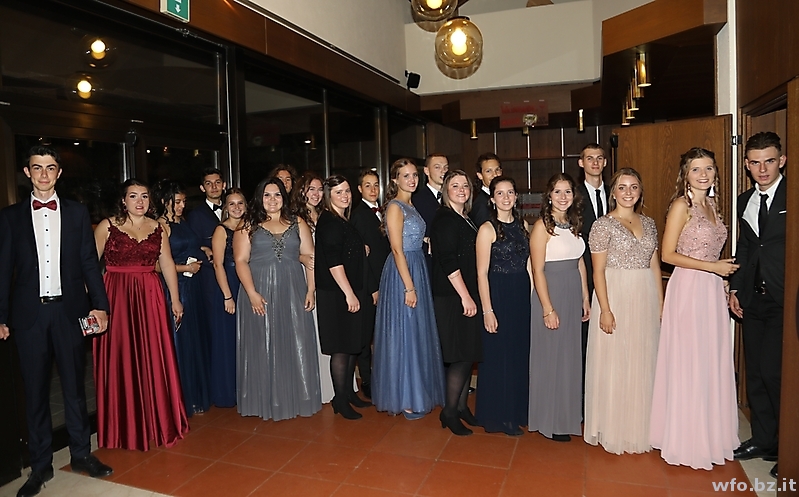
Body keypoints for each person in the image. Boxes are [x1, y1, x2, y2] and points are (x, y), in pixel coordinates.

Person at [0, 146, 113, 497]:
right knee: (35, 393)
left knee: (75, 388)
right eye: (37, 168)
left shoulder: (77, 213)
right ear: (27, 172)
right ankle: (40, 467)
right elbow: (3, 270)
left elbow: (89, 263)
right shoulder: (10, 217)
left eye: (50, 168)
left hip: (70, 312)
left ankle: (81, 454)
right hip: (29, 317)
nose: (44, 174)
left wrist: (100, 306)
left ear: (59, 173)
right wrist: (0, 316)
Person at [650, 148, 740, 469]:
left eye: (709, 168)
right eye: (696, 169)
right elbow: (667, 255)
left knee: (709, 360)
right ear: (685, 175)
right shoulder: (681, 206)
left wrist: (722, 280)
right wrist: (713, 267)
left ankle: (710, 434)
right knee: (690, 360)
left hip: (712, 290)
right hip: (688, 288)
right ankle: (686, 439)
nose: (704, 175)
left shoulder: (713, 205)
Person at [94, 179, 189, 451]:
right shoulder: (107, 226)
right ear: (123, 200)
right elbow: (89, 265)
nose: (139, 201)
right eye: (133, 196)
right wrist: (92, 302)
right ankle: (123, 426)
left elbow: (166, 264)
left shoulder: (158, 227)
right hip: (116, 296)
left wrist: (175, 300)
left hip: (150, 296)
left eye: (144, 196)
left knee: (154, 355)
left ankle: (158, 421)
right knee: (121, 356)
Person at [583, 168, 662, 454]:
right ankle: (614, 426)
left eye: (634, 187)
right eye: (622, 187)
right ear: (613, 192)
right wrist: (605, 309)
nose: (628, 192)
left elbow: (654, 265)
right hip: (614, 294)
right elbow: (597, 271)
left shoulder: (649, 223)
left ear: (640, 191)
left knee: (642, 359)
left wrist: (661, 303)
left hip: (645, 295)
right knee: (615, 361)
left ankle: (640, 426)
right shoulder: (602, 225)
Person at [233, 178, 321, 421]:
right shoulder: (247, 224)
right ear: (259, 198)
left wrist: (311, 290)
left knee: (295, 341)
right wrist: (251, 293)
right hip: (259, 291)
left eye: (277, 195)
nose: (272, 200)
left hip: (293, 289)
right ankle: (264, 400)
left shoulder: (298, 222)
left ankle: (295, 398)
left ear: (284, 197)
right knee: (262, 343)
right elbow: (240, 261)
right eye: (267, 195)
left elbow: (310, 257)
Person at [729, 132, 786, 476]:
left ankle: (787, 446)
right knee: (756, 374)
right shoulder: (744, 200)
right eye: (755, 162)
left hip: (785, 300)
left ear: (782, 161)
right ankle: (764, 440)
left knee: (776, 374)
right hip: (753, 298)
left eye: (769, 161)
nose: (762, 169)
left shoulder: (793, 194)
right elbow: (747, 246)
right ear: (747, 165)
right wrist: (736, 288)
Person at [373, 159, 445, 419]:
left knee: (416, 331)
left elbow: (410, 236)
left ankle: (415, 391)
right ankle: (405, 397)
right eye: (405, 176)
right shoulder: (395, 206)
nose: (412, 180)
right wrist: (409, 287)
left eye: (414, 175)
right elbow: (396, 248)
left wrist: (425, 239)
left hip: (417, 266)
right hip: (402, 272)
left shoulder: (411, 205)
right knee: (405, 332)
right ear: (395, 179)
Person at [528, 173, 590, 442]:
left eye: (568, 192)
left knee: (568, 358)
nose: (563, 197)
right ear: (549, 196)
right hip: (550, 292)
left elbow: (580, 261)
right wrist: (547, 308)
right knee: (550, 359)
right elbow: (537, 270)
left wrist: (585, 297)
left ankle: (566, 416)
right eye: (557, 192)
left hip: (572, 292)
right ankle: (548, 420)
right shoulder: (542, 226)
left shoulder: (574, 223)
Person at [315, 175, 377, 419]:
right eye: (338, 192)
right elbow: (334, 262)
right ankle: (339, 400)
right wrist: (349, 294)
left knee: (352, 344)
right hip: (337, 294)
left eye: (347, 191)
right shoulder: (329, 221)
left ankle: (349, 394)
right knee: (341, 348)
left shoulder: (342, 219)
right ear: (328, 196)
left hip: (351, 289)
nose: (345, 196)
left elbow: (345, 250)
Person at [475, 176, 531, 436]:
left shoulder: (523, 225)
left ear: (516, 197)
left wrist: (533, 297)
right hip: (497, 294)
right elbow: (481, 273)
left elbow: (528, 265)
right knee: (500, 356)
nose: (506, 197)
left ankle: (517, 411)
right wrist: (487, 310)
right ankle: (499, 416)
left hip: (521, 293)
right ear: (492, 198)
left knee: (519, 354)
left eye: (510, 192)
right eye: (500, 193)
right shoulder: (487, 229)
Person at [430, 170, 483, 436]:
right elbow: (448, 261)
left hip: (465, 293)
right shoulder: (445, 219)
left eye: (465, 185)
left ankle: (461, 407)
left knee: (468, 353)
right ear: (445, 190)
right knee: (460, 356)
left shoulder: (464, 217)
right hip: (452, 296)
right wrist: (465, 296)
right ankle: (449, 412)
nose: (461, 190)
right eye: (455, 185)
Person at [154, 180, 212, 416]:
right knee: (180, 342)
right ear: (164, 201)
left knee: (194, 341)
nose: (181, 206)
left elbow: (189, 246)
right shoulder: (160, 226)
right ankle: (180, 400)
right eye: (176, 202)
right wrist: (184, 268)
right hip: (175, 287)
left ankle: (195, 396)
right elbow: (157, 266)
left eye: (183, 201)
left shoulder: (182, 221)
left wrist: (203, 250)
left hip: (193, 286)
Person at [291, 171, 338, 404]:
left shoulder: (327, 214)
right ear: (302, 191)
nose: (317, 194)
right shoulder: (292, 217)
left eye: (320, 189)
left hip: (329, 275)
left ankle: (334, 386)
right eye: (312, 189)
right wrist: (301, 257)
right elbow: (283, 249)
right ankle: (314, 386)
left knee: (329, 329)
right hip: (306, 276)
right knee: (311, 329)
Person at [349, 170, 391, 399]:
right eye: (367, 185)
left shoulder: (384, 211)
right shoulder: (358, 215)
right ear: (359, 189)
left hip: (388, 278)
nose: (373, 189)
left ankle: (382, 376)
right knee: (366, 335)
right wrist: (374, 287)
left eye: (376, 185)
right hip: (370, 284)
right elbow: (362, 258)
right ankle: (366, 379)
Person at [575, 143, 610, 398]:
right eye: (590, 158)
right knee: (585, 337)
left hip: (614, 272)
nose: (595, 163)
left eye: (599, 158)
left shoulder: (618, 193)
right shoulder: (573, 196)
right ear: (581, 163)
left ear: (605, 162)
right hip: (584, 272)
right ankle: (586, 395)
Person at [209, 188, 246, 408]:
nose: (236, 207)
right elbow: (217, 264)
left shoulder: (251, 228)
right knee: (228, 341)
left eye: (240, 203)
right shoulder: (221, 230)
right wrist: (227, 296)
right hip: (229, 286)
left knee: (246, 340)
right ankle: (228, 392)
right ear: (225, 207)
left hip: (247, 285)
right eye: (232, 203)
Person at [412, 154, 448, 271]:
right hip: (428, 263)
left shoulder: (453, 197)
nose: (443, 171)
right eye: (437, 167)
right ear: (426, 171)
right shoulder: (416, 200)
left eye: (446, 167)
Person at [469, 153, 503, 227]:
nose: (495, 174)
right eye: (488, 171)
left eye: (497, 170)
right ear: (480, 175)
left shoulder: (503, 198)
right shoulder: (481, 204)